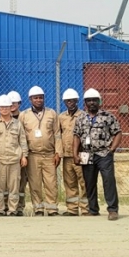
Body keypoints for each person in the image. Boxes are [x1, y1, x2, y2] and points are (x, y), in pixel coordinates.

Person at [74, 88, 122, 221]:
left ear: (99, 101)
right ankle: (93, 209)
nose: (92, 103)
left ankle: (112, 210)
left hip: (103, 154)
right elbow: (76, 136)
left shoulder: (108, 116)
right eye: (89, 101)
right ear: (85, 103)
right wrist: (75, 154)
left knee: (108, 181)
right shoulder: (80, 118)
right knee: (89, 183)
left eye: (94, 100)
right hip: (87, 155)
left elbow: (117, 132)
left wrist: (112, 149)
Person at [19, 86, 62, 216]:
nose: (38, 100)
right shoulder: (24, 115)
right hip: (32, 155)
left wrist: (58, 153)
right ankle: (38, 208)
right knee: (35, 183)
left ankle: (52, 208)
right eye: (35, 98)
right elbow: (20, 136)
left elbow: (57, 134)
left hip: (49, 154)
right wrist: (23, 155)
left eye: (40, 97)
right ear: (30, 99)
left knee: (51, 183)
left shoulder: (51, 113)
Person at [0, 95, 28, 216]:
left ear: (11, 108)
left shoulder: (17, 124)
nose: (4, 109)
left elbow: (22, 140)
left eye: (6, 107)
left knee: (14, 187)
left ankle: (12, 210)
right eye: (2, 107)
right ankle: (0, 209)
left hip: (14, 160)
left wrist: (24, 156)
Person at [59, 88, 89, 216]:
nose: (70, 102)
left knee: (84, 182)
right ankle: (72, 209)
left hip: (82, 155)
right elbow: (58, 135)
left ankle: (86, 208)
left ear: (77, 101)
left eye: (72, 100)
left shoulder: (84, 116)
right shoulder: (61, 117)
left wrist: (85, 153)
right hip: (67, 156)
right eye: (67, 101)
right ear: (64, 102)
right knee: (69, 182)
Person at [7, 90, 27, 215]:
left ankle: (19, 207)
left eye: (16, 102)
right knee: (6, 184)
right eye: (11, 103)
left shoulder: (24, 118)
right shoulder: (2, 117)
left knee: (21, 183)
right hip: (8, 156)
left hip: (22, 156)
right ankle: (6, 207)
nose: (13, 105)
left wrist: (24, 155)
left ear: (19, 103)